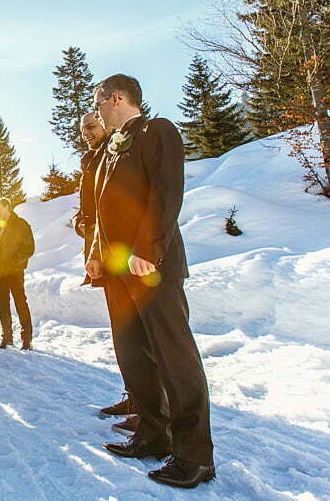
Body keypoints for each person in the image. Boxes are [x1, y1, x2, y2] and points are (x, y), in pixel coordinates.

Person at [86, 74, 214, 489]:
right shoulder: (107, 148)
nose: (97, 109)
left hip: (149, 264)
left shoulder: (156, 131)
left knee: (173, 355)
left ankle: (194, 455)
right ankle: (152, 435)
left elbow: (165, 192)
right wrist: (96, 256)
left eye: (99, 101)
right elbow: (105, 210)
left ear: (116, 97)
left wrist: (147, 249)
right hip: (116, 271)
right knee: (133, 354)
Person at [73, 112, 139, 437]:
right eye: (83, 129)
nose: (86, 132)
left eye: (91, 126)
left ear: (106, 125)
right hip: (100, 252)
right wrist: (80, 222)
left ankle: (150, 406)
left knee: (135, 334)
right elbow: (89, 205)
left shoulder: (114, 152)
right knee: (122, 333)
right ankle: (135, 397)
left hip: (120, 252)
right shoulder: (90, 159)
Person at [0, 197, 35, 350]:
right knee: (3, 305)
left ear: (7, 207)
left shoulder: (21, 224)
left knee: (21, 303)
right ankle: (6, 337)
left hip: (15, 272)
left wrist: (14, 262)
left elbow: (29, 248)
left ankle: (27, 340)